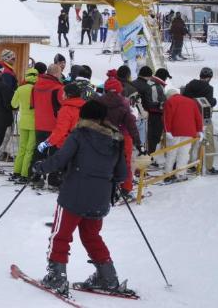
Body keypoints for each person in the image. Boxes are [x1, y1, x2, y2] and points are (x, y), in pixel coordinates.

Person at [33, 99, 128, 296]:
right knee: (92, 236)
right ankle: (108, 277)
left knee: (61, 235)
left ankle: (57, 277)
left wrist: (40, 167)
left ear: (83, 116)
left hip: (73, 195)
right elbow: (121, 174)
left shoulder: (80, 134)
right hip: (100, 198)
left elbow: (60, 159)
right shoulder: (116, 139)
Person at [100, 73, 142, 196]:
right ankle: (126, 188)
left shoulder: (98, 102)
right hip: (124, 137)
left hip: (103, 136)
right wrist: (138, 142)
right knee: (126, 163)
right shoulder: (124, 103)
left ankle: (107, 188)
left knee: (105, 162)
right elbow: (131, 124)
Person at [31, 59, 65, 188]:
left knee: (39, 151)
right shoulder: (58, 88)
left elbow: (32, 104)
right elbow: (64, 105)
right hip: (54, 125)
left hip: (39, 124)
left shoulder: (36, 86)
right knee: (55, 154)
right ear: (56, 74)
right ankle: (53, 180)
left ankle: (35, 176)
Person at [162, 87, 203, 182]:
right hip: (189, 132)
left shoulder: (170, 101)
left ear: (169, 96)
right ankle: (180, 174)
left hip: (174, 132)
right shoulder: (191, 101)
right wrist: (199, 130)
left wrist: (167, 130)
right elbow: (198, 117)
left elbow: (167, 117)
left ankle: (168, 174)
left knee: (171, 153)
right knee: (184, 153)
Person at [183, 67, 217, 174]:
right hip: (204, 119)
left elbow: (184, 98)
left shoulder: (190, 84)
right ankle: (209, 166)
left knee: (193, 142)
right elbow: (209, 102)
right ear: (209, 78)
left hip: (190, 117)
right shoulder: (208, 88)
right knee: (208, 142)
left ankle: (191, 164)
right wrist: (214, 101)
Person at [10, 66, 38, 183]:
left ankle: (16, 171)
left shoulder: (20, 89)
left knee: (21, 148)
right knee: (29, 149)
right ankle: (25, 173)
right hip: (35, 122)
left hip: (23, 121)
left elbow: (13, 104)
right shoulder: (37, 89)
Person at [133, 67, 168, 155]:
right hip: (144, 116)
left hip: (131, 113)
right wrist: (159, 104)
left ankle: (135, 155)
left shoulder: (132, 83)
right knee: (145, 137)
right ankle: (146, 157)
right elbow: (149, 104)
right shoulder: (147, 87)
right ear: (148, 76)